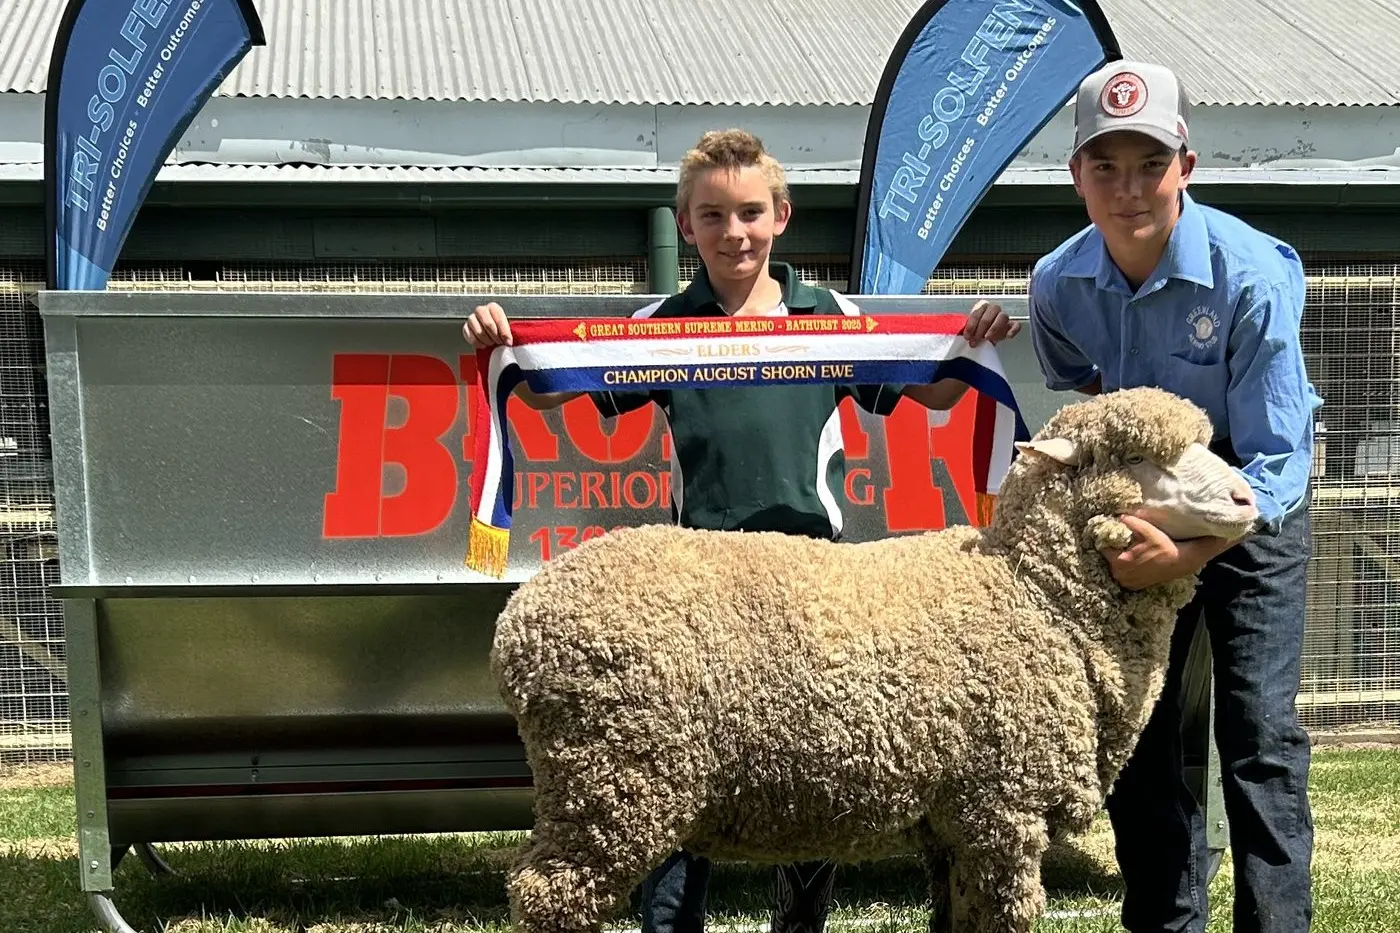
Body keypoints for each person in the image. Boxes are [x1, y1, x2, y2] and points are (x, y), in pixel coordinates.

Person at [464, 128, 1020, 933]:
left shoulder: (826, 317)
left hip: (815, 584)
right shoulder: (665, 323)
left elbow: (931, 392)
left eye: (750, 212)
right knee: (670, 774)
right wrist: (503, 341)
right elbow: (554, 392)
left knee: (819, 772)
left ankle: (799, 922)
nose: (735, 232)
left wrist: (974, 337)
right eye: (713, 215)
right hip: (704, 593)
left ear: (781, 216)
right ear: (686, 226)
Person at [1026, 61, 1321, 933]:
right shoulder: (1056, 283)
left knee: (1258, 735)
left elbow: (1278, 461)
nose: (1128, 189)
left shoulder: (1251, 278)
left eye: (1149, 163)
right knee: (1142, 735)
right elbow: (1079, 389)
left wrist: (1189, 549)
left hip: (1250, 498)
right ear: (1076, 175)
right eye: (1105, 166)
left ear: (1185, 164)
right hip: (1142, 502)